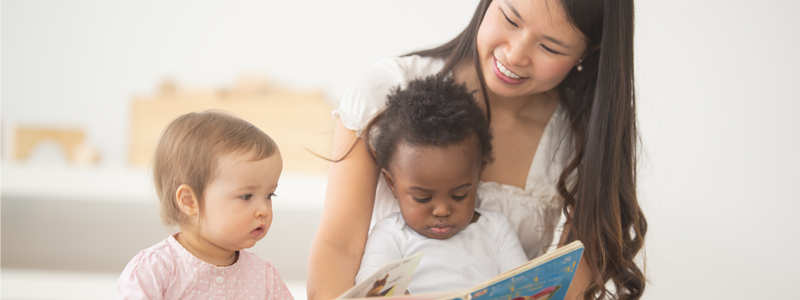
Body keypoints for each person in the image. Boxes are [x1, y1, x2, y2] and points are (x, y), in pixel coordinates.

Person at [308, 0, 647, 299]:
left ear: (588, 53)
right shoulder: (386, 92)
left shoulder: (581, 137)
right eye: (511, 20)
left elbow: (568, 287)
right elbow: (338, 248)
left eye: (551, 48)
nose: (515, 55)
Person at [355, 76, 528, 294]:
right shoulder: (391, 234)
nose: (442, 210)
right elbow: (371, 290)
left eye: (459, 195)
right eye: (422, 198)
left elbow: (524, 286)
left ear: (479, 173)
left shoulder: (495, 229)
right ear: (392, 183)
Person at [115, 110, 294, 300]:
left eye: (269, 195)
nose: (264, 210)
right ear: (189, 201)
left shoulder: (265, 278)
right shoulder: (154, 270)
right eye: (246, 196)